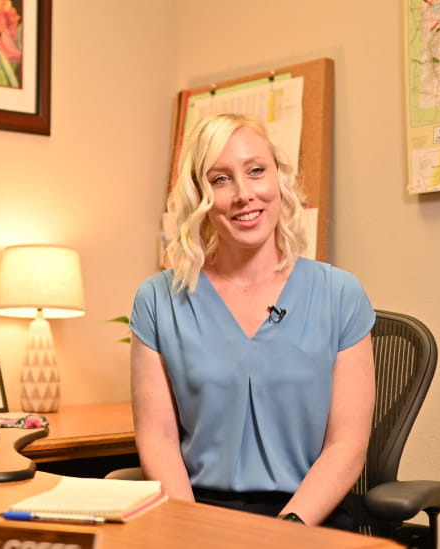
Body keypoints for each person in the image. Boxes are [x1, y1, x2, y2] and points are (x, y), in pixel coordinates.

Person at [129, 113, 375, 530]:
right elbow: (159, 439)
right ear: (200, 195)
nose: (244, 194)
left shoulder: (339, 294)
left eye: (256, 171)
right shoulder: (157, 300)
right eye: (221, 179)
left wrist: (283, 532)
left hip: (307, 519)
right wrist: (190, 530)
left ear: (278, 178)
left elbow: (346, 445)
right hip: (198, 517)